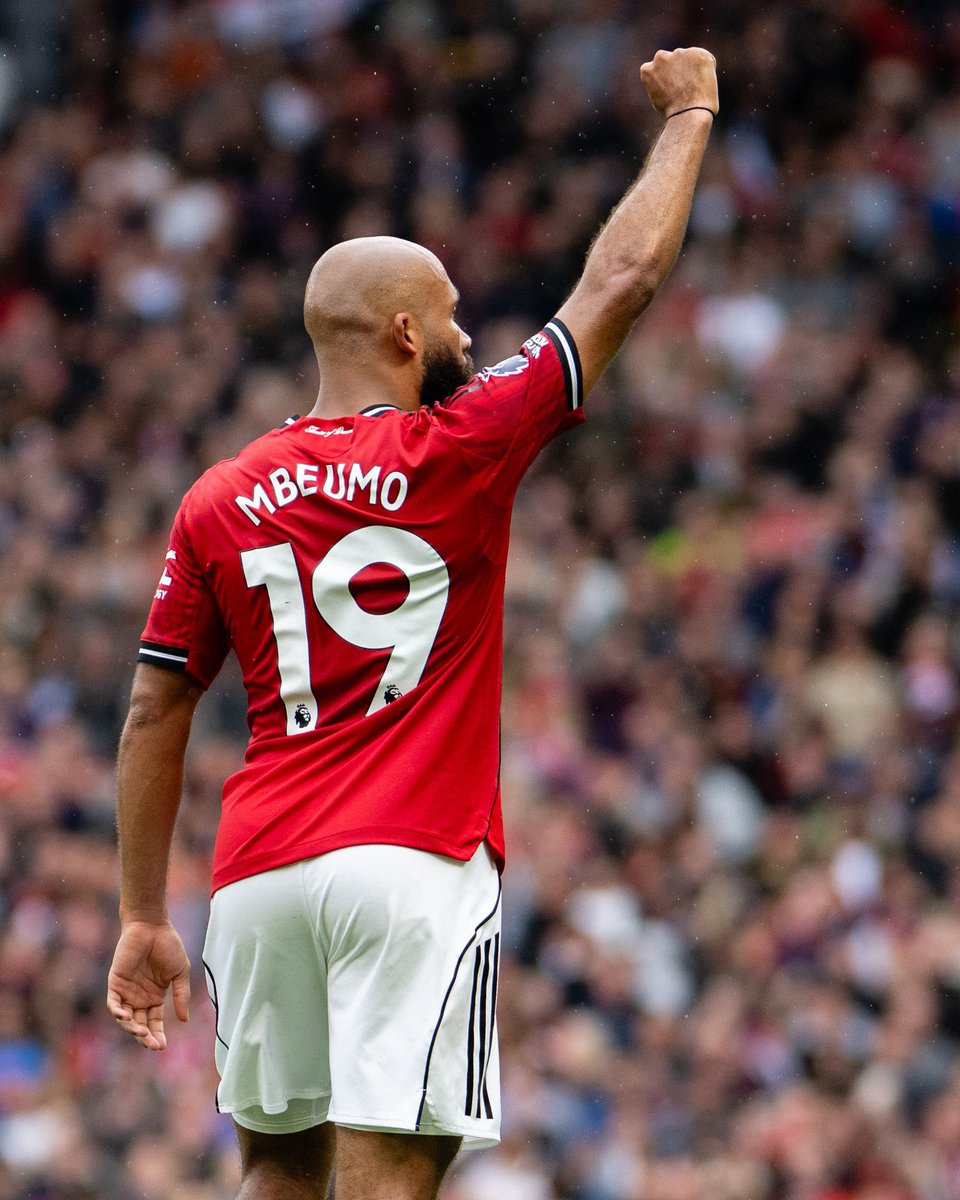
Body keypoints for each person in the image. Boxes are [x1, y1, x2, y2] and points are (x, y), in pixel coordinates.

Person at [106, 46, 719, 1200]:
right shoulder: (464, 444)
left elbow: (153, 711)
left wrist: (143, 913)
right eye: (450, 321)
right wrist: (689, 115)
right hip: (413, 860)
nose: (468, 341)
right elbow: (623, 280)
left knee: (276, 1177)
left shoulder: (218, 496)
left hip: (259, 876)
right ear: (401, 333)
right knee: (392, 1177)